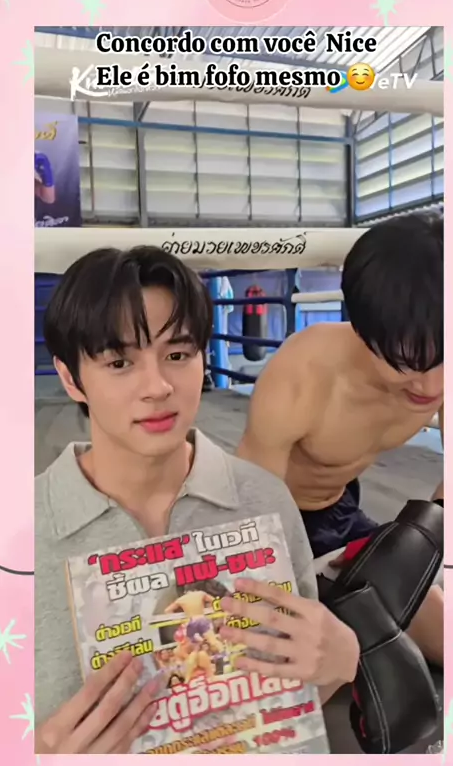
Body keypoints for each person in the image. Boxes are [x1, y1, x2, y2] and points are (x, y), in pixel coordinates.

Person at [35, 245, 359, 755]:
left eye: (178, 355)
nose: (158, 386)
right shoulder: (20, 531)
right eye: (119, 362)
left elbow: (286, 701)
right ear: (72, 378)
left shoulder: (264, 499)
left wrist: (342, 663)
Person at [237, 211, 444, 667]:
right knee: (280, 661)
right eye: (407, 361)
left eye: (446, 360)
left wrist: (413, 549)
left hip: (343, 515)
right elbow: (251, 504)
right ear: (366, 330)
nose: (431, 385)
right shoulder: (305, 374)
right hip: (272, 520)